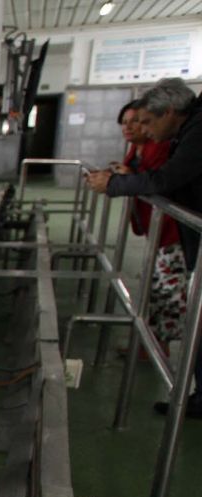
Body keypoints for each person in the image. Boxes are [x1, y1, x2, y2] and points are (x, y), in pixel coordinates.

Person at [88, 78, 202, 418]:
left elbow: (167, 178)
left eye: (147, 122)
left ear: (168, 112)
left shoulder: (196, 128)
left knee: (190, 310)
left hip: (176, 235)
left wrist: (116, 184)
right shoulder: (187, 127)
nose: (142, 129)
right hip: (181, 234)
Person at [120, 100, 187, 349]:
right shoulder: (135, 150)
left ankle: (167, 347)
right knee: (156, 288)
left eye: (139, 121)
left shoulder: (158, 148)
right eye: (125, 123)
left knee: (169, 291)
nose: (130, 127)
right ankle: (153, 345)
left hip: (171, 233)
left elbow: (157, 182)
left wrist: (125, 179)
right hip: (155, 230)